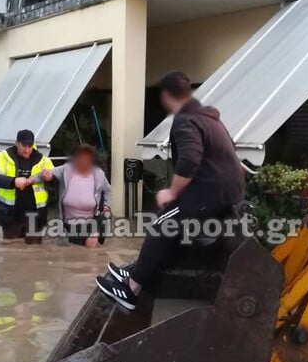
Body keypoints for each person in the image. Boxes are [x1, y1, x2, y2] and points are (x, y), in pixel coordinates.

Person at [95, 71, 244, 310]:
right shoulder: (210, 118)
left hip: (211, 194)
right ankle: (137, 273)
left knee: (162, 223)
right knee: (168, 222)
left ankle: (131, 290)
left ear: (166, 95)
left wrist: (172, 192)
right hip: (226, 193)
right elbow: (230, 152)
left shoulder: (186, 119)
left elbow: (189, 160)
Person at [0, 129, 54, 244]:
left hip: (35, 216)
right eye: (24, 146)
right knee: (10, 254)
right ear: (16, 143)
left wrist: (51, 179)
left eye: (30, 146)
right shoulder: (3, 157)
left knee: (35, 253)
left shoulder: (43, 160)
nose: (27, 150)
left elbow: (55, 182)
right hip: (10, 216)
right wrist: (14, 181)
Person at [38, 144, 112, 248]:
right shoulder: (66, 170)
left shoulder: (98, 174)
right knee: (74, 252)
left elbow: (108, 190)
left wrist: (107, 207)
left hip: (92, 221)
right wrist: (31, 179)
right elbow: (43, 174)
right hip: (69, 224)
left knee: (91, 246)